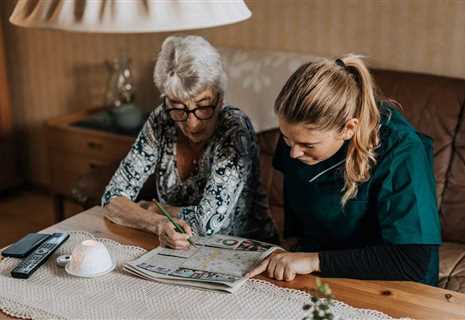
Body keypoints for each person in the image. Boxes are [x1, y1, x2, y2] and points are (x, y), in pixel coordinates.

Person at [247, 55, 441, 286]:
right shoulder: (298, 139)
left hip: (394, 280)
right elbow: (300, 226)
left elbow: (411, 262)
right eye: (287, 139)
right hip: (320, 269)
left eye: (308, 146)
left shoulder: (403, 151)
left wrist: (313, 261)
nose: (293, 154)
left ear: (349, 129)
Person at [102, 35, 275, 249]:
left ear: (220, 98)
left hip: (243, 251)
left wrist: (154, 207)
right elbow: (112, 199)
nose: (191, 123)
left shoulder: (234, 127)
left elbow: (207, 223)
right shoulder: (162, 119)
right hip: (180, 249)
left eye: (203, 105)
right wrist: (157, 222)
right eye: (178, 107)